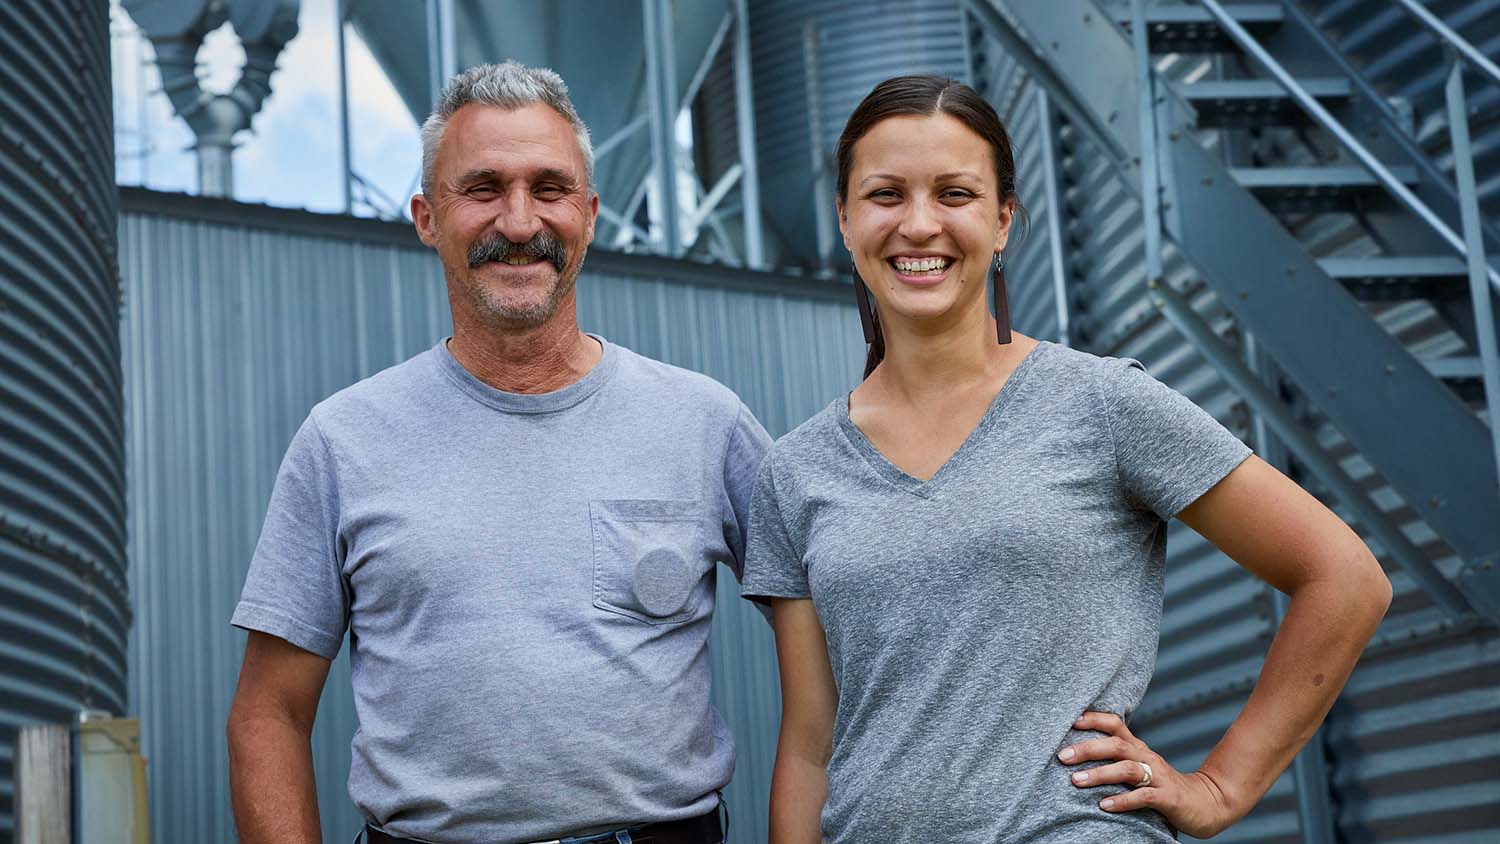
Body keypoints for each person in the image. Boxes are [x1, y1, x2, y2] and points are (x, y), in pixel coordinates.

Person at [741, 74, 1392, 844]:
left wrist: (1219, 786)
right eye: (886, 195)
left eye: (955, 194)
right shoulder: (795, 470)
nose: (919, 225)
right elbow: (812, 747)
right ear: (846, 220)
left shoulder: (1102, 403)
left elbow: (1345, 579)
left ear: (1004, 219)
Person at [225, 62, 769, 844]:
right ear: (425, 217)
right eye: (482, 188)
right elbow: (266, 715)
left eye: (549, 189)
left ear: (589, 212)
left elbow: (835, 631)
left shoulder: (705, 424)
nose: (519, 222)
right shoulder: (342, 441)